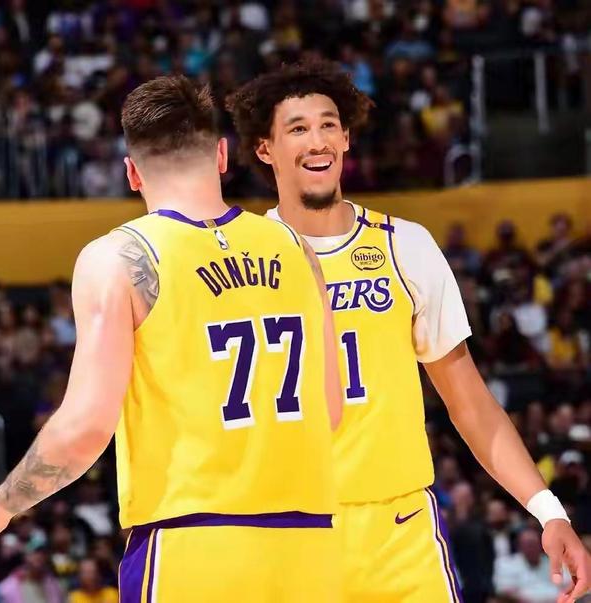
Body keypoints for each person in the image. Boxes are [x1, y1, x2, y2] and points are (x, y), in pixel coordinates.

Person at [0, 74, 343, 602]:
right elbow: (330, 407)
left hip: (192, 543)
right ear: (222, 156)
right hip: (312, 547)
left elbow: (86, 426)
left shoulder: (120, 258)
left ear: (132, 172)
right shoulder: (297, 248)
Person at [226, 59, 591, 603]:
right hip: (284, 531)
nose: (317, 140)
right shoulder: (238, 259)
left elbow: (469, 402)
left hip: (398, 534)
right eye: (297, 129)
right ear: (265, 149)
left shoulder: (405, 245)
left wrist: (549, 512)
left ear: (346, 139)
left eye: (328, 125)